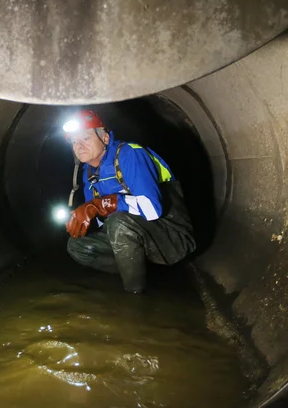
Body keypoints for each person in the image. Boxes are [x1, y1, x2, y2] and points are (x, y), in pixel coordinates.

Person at [64, 110, 196, 293]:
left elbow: (152, 209)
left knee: (120, 223)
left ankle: (134, 296)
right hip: (132, 236)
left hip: (171, 235)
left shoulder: (129, 154)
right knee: (77, 246)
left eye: (85, 138)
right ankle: (146, 274)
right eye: (73, 141)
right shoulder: (89, 174)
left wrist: (103, 204)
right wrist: (85, 217)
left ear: (105, 139)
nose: (78, 145)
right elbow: (104, 221)